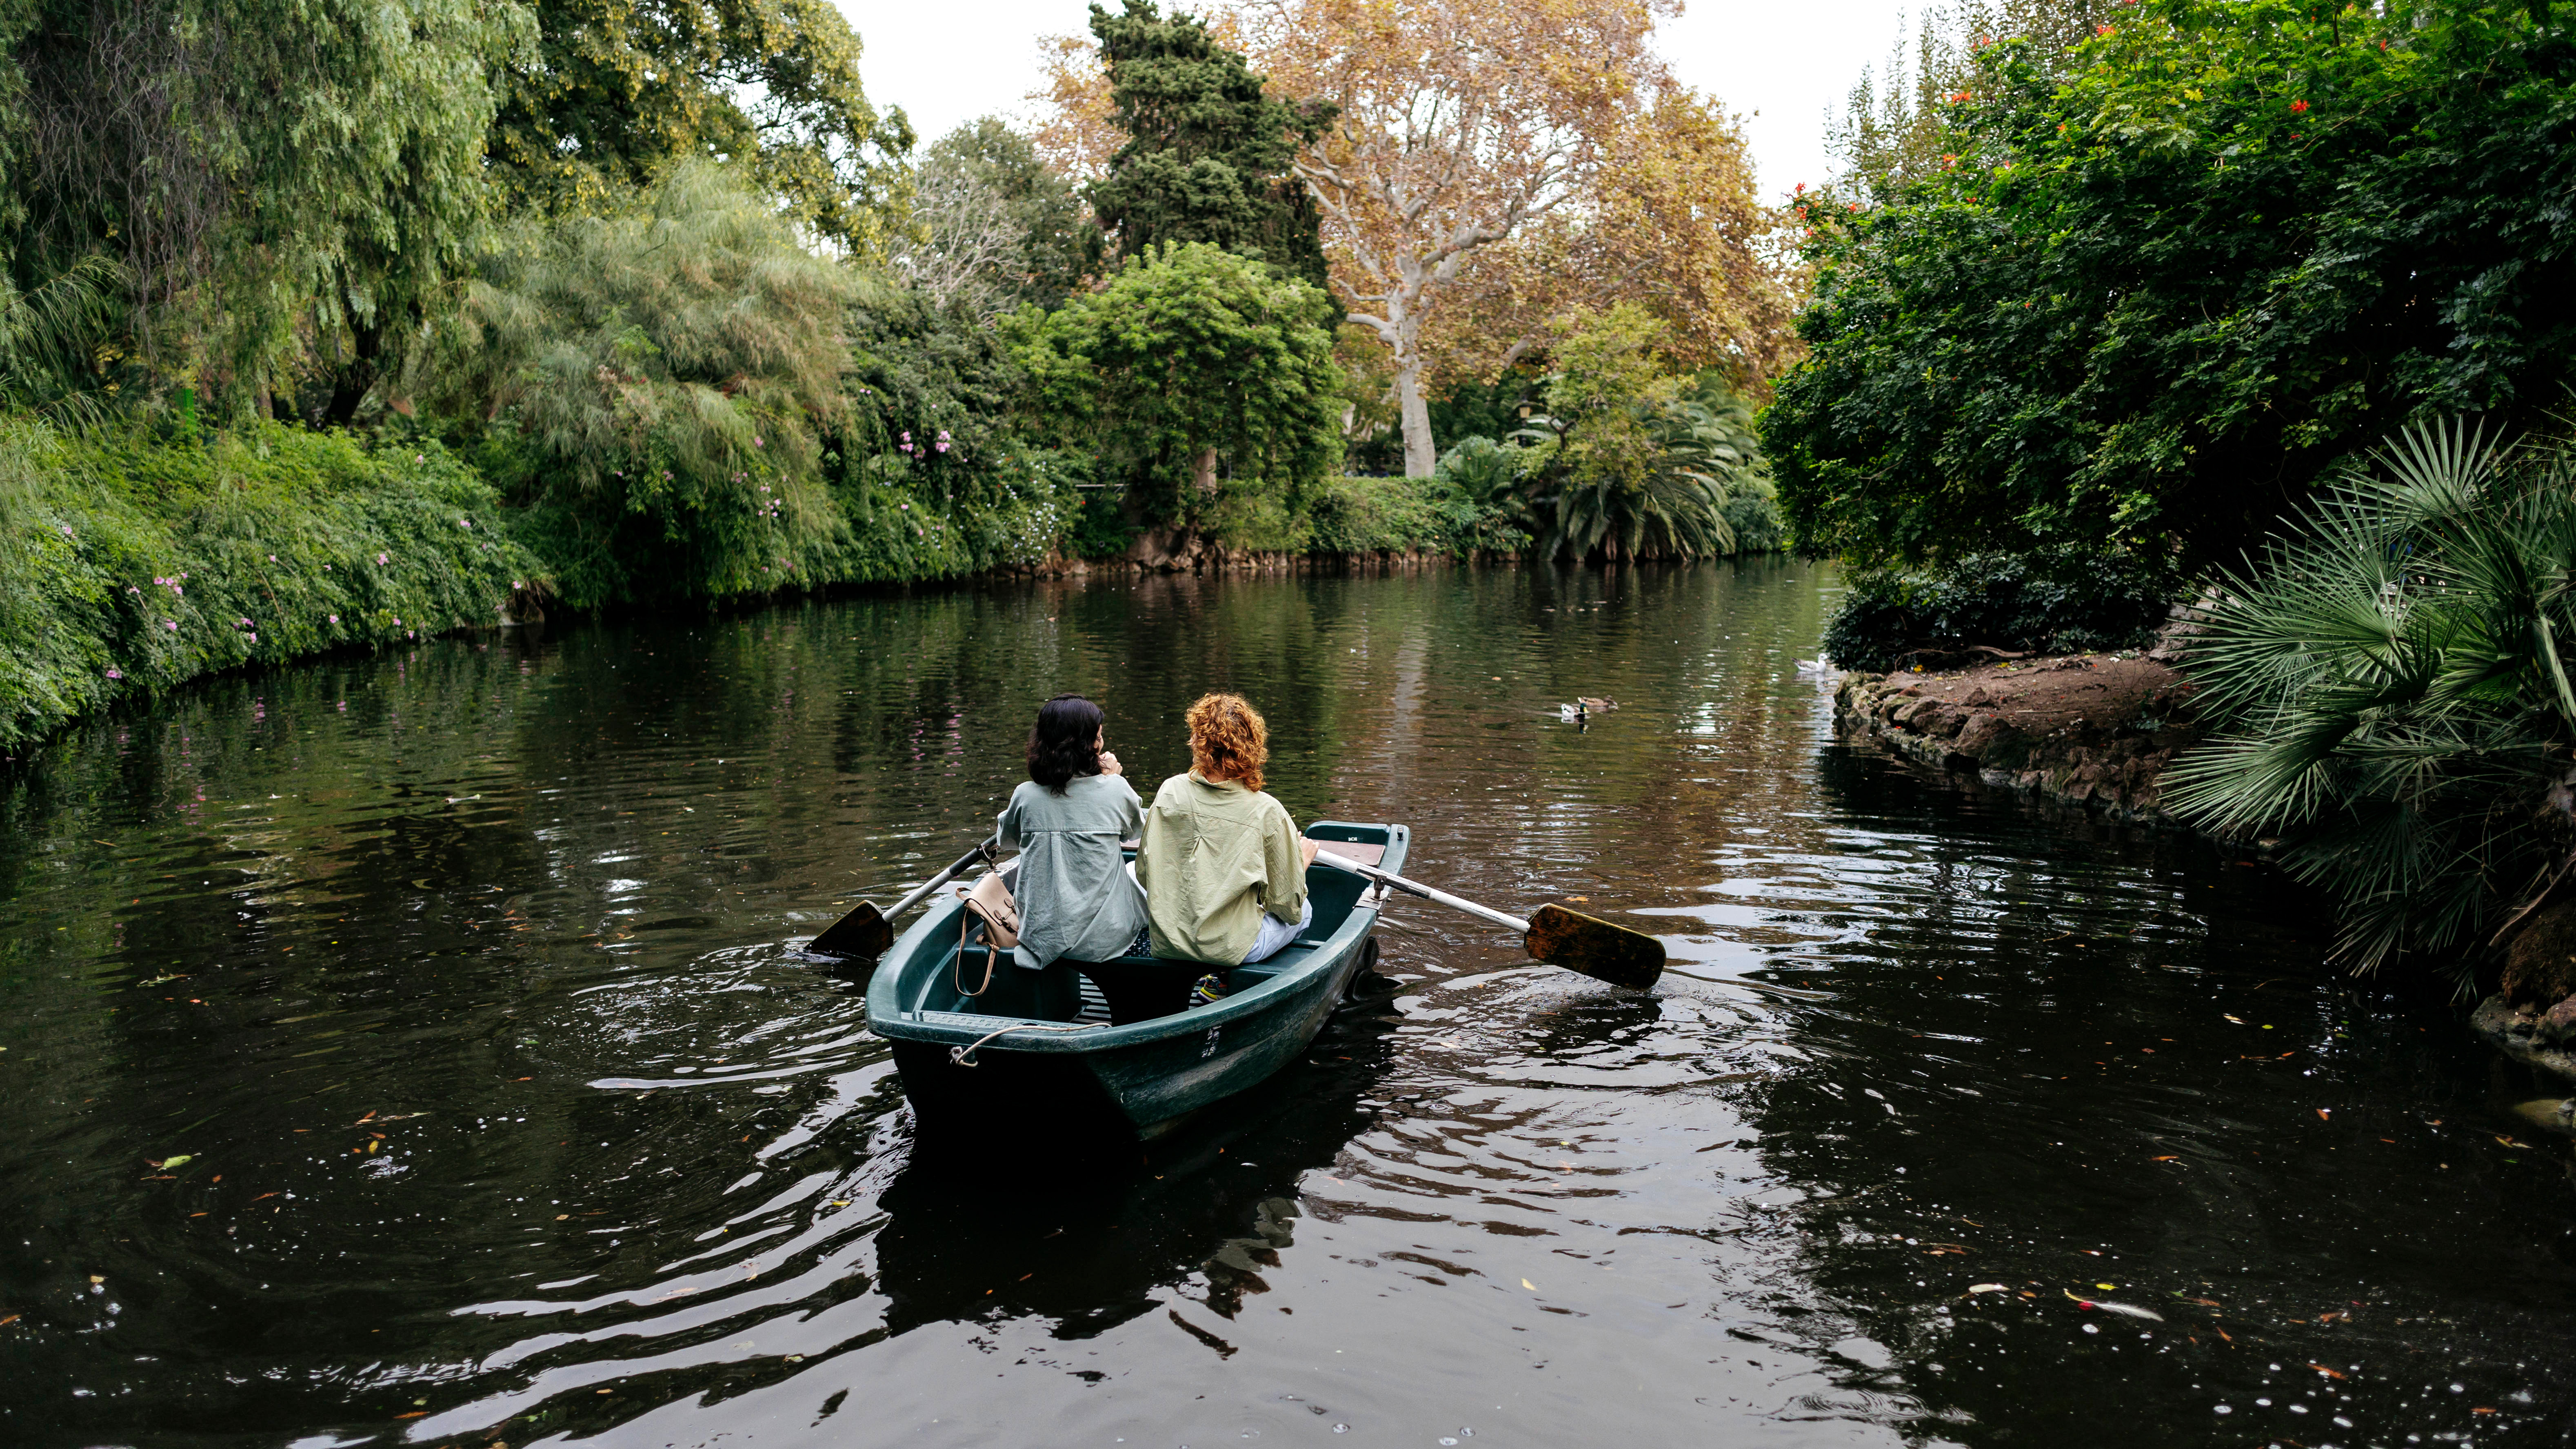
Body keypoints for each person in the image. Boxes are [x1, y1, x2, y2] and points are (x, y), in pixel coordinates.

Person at [1137, 692, 1319, 1002]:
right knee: (1306, 912)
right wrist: (1300, 863)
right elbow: (1288, 907)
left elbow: (1144, 873)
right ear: (1253, 746)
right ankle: (1223, 982)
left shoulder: (1170, 791)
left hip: (1168, 942)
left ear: (1198, 742)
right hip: (1230, 949)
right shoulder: (1268, 811)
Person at [994, 694, 1148, 973]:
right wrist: (1110, 779)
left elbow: (1007, 840)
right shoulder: (1116, 789)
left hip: (1041, 940)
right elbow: (1136, 832)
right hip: (1105, 941)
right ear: (1091, 746)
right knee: (1138, 872)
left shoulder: (1025, 796)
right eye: (1099, 737)